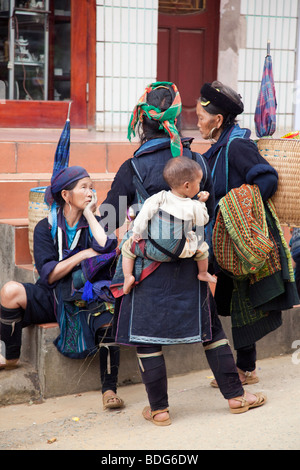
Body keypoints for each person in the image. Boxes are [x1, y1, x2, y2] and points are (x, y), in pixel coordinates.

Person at [99, 81, 267, 425]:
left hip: (146, 270)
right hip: (192, 264)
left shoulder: (133, 168)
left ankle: (159, 410)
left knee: (147, 339)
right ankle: (236, 397)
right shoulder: (194, 161)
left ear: (142, 123)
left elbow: (107, 221)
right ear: (174, 119)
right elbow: (206, 204)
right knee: (211, 334)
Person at [197, 81, 299, 387]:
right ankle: (244, 366)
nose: (198, 122)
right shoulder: (219, 147)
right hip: (225, 237)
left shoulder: (238, 146)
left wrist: (239, 205)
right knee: (238, 299)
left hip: (242, 238)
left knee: (245, 301)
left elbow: (266, 177)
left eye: (202, 118)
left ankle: (244, 369)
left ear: (217, 120)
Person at [0, 166, 124, 410]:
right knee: (10, 291)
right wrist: (82, 256)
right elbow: (49, 274)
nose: (90, 192)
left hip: (86, 296)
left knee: (107, 317)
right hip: (53, 295)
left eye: (92, 187)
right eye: (84, 187)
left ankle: (109, 389)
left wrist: (90, 216)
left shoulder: (94, 222)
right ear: (66, 195)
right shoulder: (45, 228)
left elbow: (108, 246)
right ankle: (11, 356)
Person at [121, 156, 216, 294]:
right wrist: (201, 202)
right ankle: (203, 272)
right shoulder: (193, 205)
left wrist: (137, 231)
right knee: (202, 246)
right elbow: (203, 221)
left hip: (153, 248)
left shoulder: (160, 197)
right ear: (187, 185)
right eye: (199, 183)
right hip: (181, 251)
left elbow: (144, 213)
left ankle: (127, 276)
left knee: (127, 247)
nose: (200, 186)